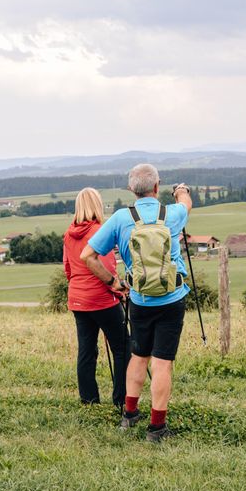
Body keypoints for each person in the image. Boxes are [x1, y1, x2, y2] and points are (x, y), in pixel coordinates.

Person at [81, 164, 192, 442]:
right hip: (172, 298)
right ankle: (157, 428)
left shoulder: (121, 218)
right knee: (162, 363)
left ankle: (129, 415)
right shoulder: (171, 214)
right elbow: (186, 204)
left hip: (140, 300)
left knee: (139, 356)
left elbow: (87, 255)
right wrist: (181, 190)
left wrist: (114, 283)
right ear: (157, 187)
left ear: (131, 189)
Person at [63, 187, 129, 407]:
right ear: (97, 205)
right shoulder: (100, 231)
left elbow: (68, 268)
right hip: (101, 298)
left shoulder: (69, 233)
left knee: (86, 350)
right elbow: (107, 267)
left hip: (78, 299)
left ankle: (89, 401)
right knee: (122, 348)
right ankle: (121, 400)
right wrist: (118, 289)